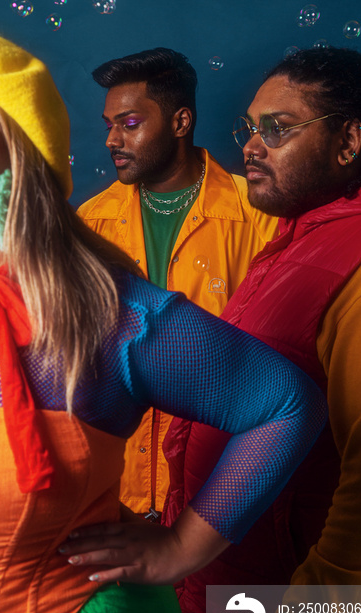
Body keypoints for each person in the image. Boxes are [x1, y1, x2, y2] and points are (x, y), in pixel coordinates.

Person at [0, 30, 326, 613]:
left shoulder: (135, 294)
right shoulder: (99, 213)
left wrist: (183, 548)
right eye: (109, 124)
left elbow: (283, 397)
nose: (115, 138)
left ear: (14, 147)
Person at [156, 47, 361, 613]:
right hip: (250, 612)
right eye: (249, 128)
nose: (252, 146)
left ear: (349, 140)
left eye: (279, 128)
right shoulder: (297, 241)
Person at [77, 47, 279, 518]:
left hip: (220, 491)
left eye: (128, 124)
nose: (111, 140)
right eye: (109, 125)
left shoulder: (256, 216)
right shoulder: (90, 223)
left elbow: (276, 358)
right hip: (114, 495)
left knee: (225, 598)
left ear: (180, 122)